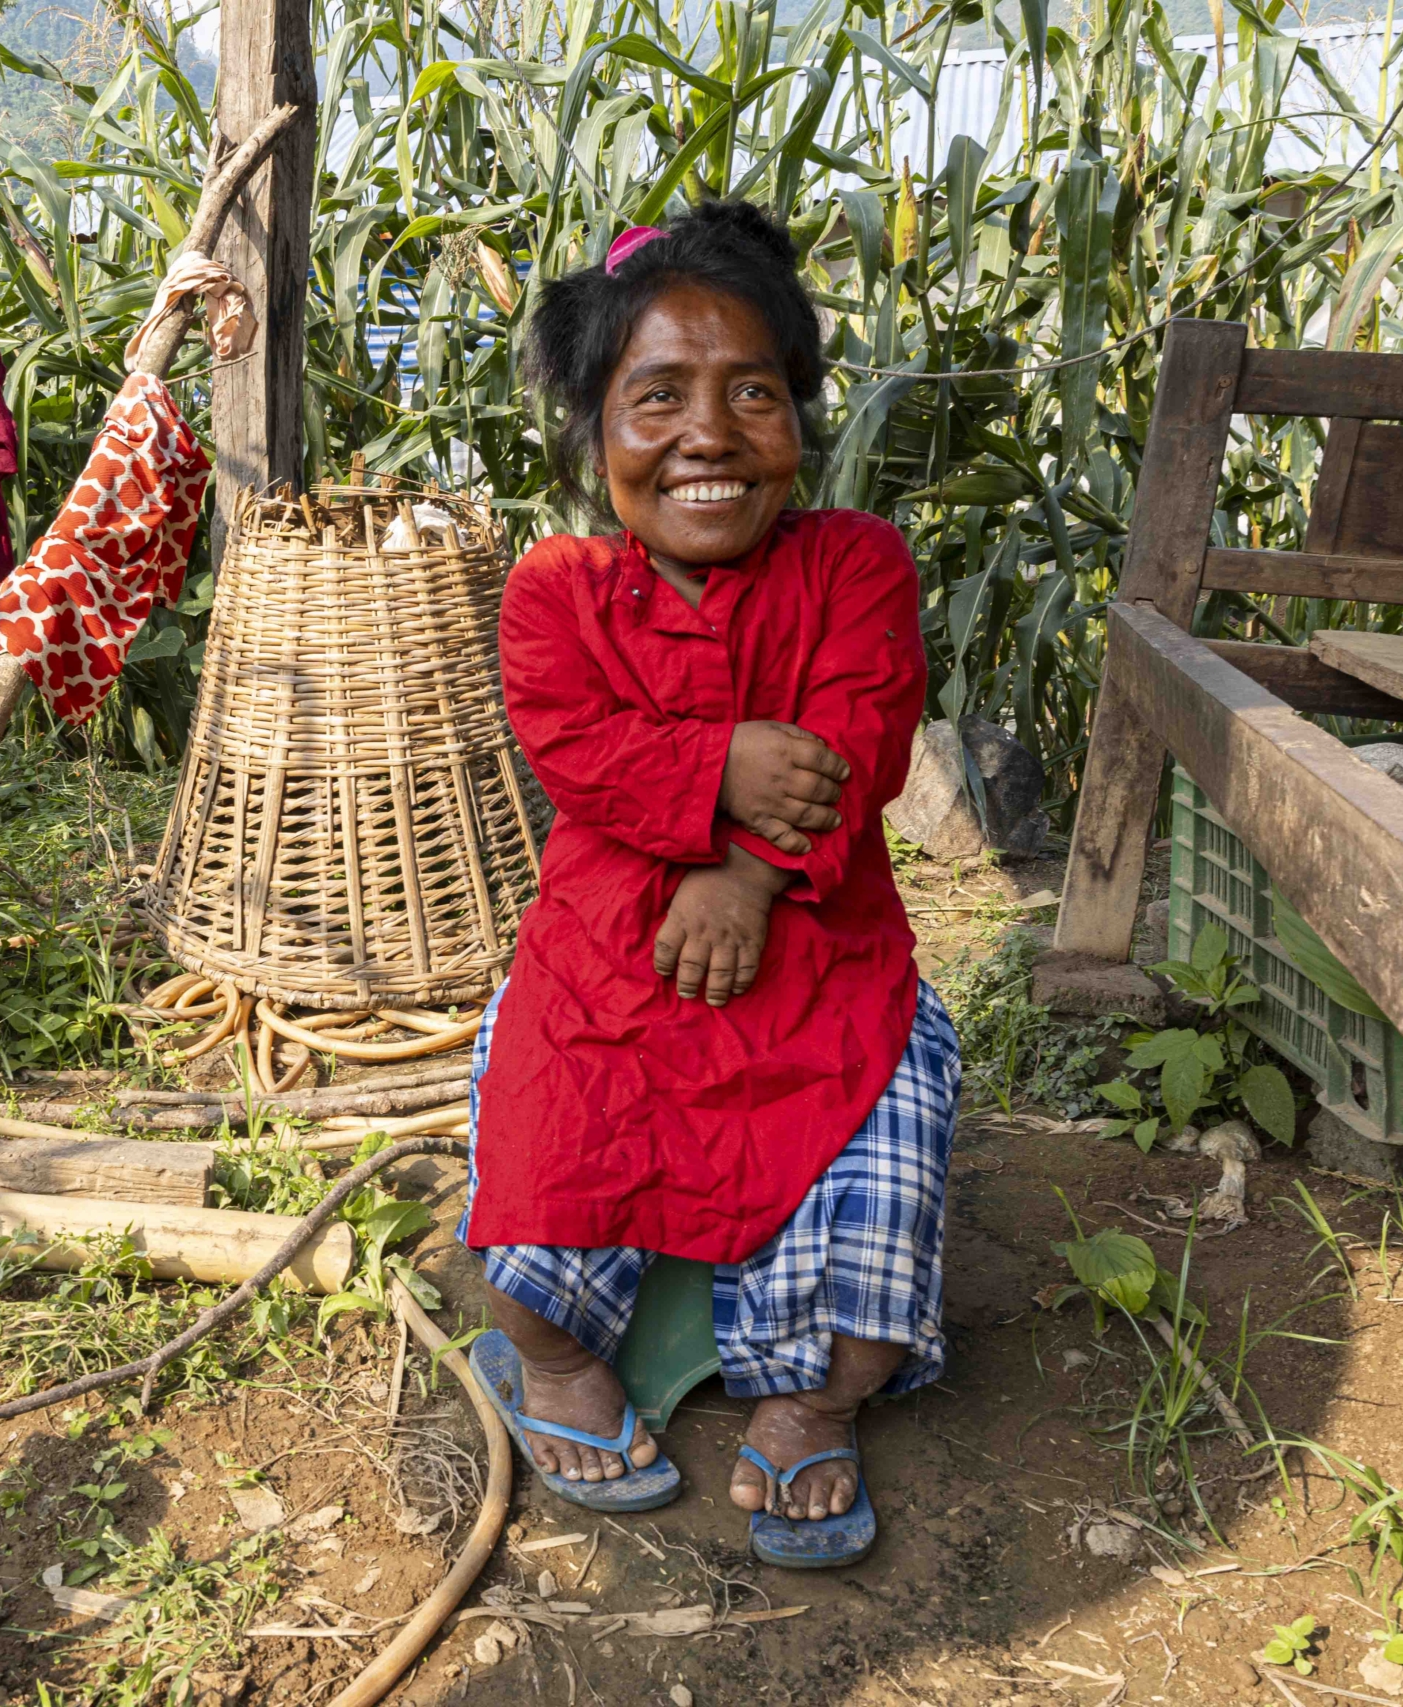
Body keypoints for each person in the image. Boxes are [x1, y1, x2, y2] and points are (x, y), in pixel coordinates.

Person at [460, 200, 961, 1570]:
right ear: (592, 429)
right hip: (608, 954)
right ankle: (560, 1369)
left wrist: (746, 876)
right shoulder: (554, 591)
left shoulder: (858, 565)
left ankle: (812, 1402)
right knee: (541, 1149)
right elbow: (579, 752)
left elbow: (857, 744)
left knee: (879, 1165)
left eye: (753, 391)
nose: (708, 434)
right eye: (657, 396)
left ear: (799, 413)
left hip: (824, 952)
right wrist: (727, 762)